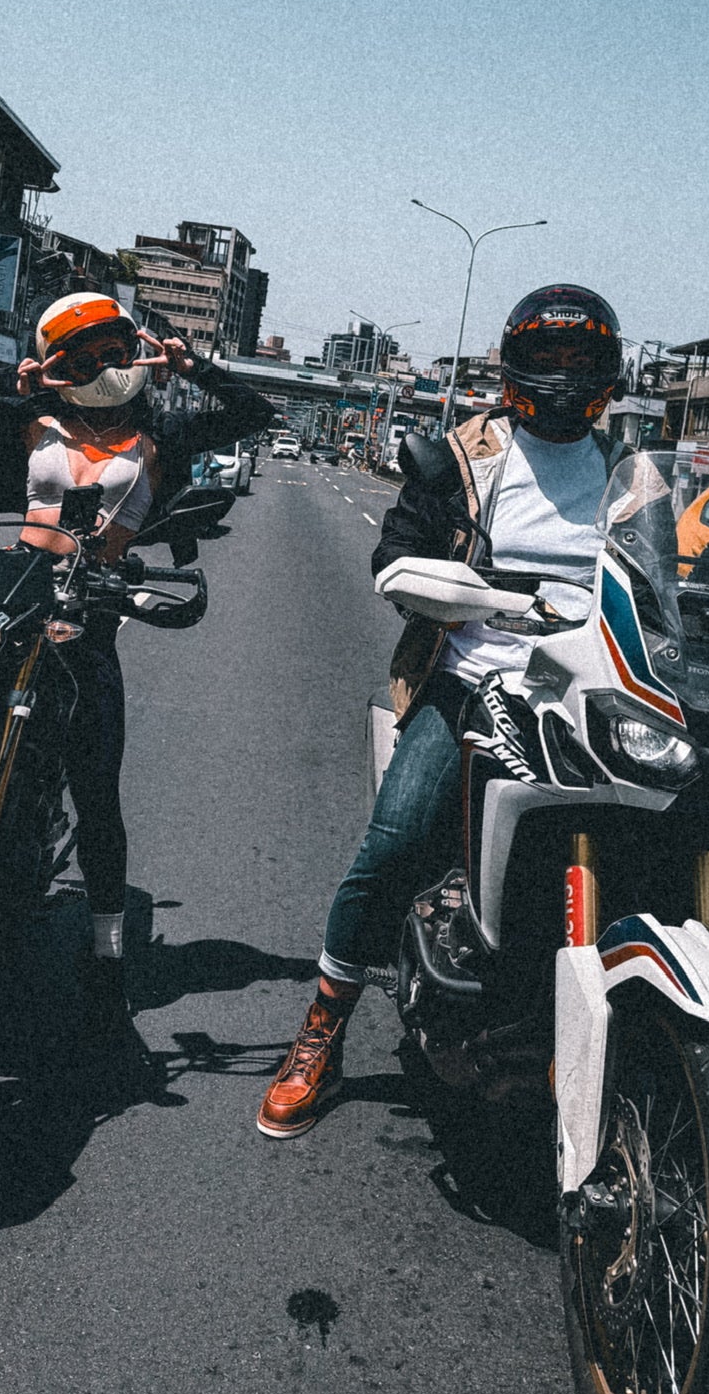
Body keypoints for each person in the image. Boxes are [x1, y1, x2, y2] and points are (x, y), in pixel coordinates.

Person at [257, 283, 626, 1137]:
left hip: (592, 691)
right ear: (516, 366)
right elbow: (397, 552)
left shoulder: (629, 475)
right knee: (393, 844)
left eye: (579, 356)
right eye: (547, 354)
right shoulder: (462, 457)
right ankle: (323, 1028)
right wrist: (438, 588)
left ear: (607, 372)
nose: (563, 372)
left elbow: (677, 567)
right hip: (473, 683)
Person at [0, 294, 273, 1034]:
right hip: (8, 598)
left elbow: (253, 413)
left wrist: (194, 366)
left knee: (96, 787)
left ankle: (107, 951)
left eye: (114, 352)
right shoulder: (34, 416)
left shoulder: (161, 432)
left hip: (85, 615)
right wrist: (21, 380)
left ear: (136, 352)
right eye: (80, 358)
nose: (101, 369)